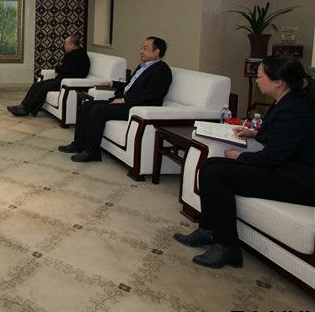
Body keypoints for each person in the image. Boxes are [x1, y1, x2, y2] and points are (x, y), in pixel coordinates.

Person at [173, 56, 315, 269]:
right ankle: (208, 230)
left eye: (260, 76)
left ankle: (227, 247)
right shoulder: (285, 101)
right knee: (210, 165)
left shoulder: (296, 110)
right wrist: (254, 133)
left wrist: (239, 156)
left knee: (218, 173)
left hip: (298, 182)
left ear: (278, 82)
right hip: (283, 169)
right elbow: (279, 136)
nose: (257, 80)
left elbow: (273, 157)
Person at [59, 36, 172, 162]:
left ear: (157, 52)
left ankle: (93, 152)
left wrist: (125, 100)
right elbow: (129, 86)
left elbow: (150, 94)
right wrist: (112, 83)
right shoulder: (143, 66)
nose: (141, 51)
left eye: (145, 48)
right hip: (126, 102)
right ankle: (78, 145)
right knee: (88, 104)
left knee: (98, 110)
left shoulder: (162, 70)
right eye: (141, 48)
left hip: (136, 107)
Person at [8, 34, 90, 117]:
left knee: (43, 88)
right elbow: (65, 67)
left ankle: (27, 110)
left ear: (71, 44)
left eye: (65, 44)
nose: (64, 46)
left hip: (66, 82)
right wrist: (59, 70)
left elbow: (71, 69)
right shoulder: (71, 54)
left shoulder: (81, 56)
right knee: (36, 85)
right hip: (60, 79)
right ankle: (23, 106)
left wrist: (58, 70)